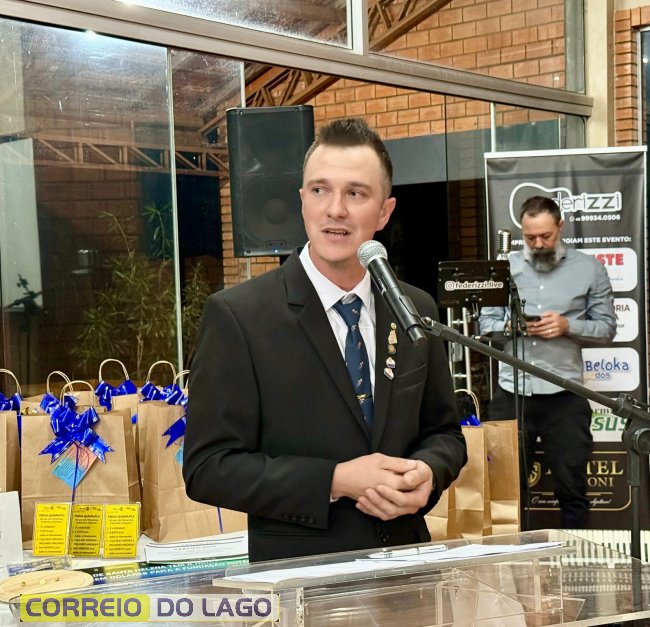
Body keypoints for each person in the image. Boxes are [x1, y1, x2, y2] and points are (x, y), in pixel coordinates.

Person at [183, 117, 467, 562]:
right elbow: (208, 468)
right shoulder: (239, 316)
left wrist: (428, 474)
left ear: (385, 211)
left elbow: (445, 433)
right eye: (320, 190)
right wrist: (336, 480)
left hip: (407, 565)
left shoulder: (414, 308)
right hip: (301, 575)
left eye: (356, 193)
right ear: (302, 201)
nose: (336, 209)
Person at [479, 195, 616, 529]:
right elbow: (485, 326)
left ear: (560, 226)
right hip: (512, 394)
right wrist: (512, 327)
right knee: (506, 491)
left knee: (572, 488)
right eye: (530, 238)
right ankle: (512, 559)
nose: (538, 244)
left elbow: (607, 328)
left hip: (565, 395)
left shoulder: (589, 268)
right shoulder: (504, 268)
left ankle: (574, 555)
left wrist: (569, 326)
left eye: (546, 236)